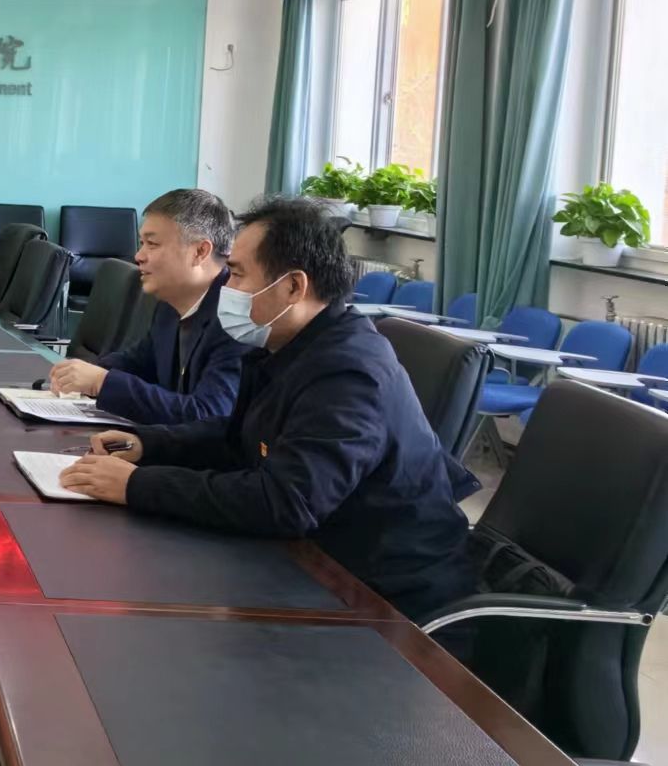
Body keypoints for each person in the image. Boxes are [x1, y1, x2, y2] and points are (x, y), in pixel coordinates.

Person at [60, 196, 475, 620]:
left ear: (294, 287)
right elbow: (237, 437)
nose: (225, 287)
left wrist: (137, 485)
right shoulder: (283, 344)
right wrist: (148, 445)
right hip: (310, 559)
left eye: (237, 274)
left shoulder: (348, 372)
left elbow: (286, 502)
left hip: (382, 600)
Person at [46, 188, 249, 425]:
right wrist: (78, 373)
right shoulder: (170, 304)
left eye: (152, 244)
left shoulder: (236, 319)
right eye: (141, 243)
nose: (138, 256)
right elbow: (138, 363)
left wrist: (102, 382)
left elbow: (209, 416)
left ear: (200, 252)